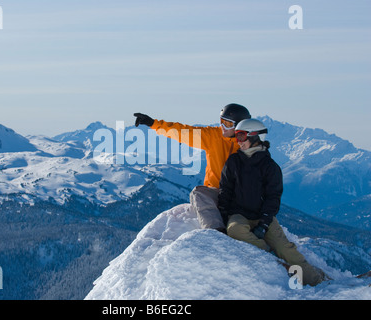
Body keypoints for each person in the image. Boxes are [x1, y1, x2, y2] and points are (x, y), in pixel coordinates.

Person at [218, 118, 326, 286]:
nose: (237, 141)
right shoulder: (234, 162)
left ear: (255, 136)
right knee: (235, 230)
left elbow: (273, 197)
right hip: (239, 214)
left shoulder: (270, 167)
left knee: (287, 250)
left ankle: (318, 282)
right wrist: (224, 216)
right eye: (237, 136)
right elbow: (225, 190)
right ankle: (269, 256)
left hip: (263, 216)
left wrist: (264, 224)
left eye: (241, 136)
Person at [134, 103, 251, 232]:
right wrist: (154, 124)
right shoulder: (213, 136)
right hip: (216, 192)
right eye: (221, 121)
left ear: (240, 126)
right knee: (198, 193)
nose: (222, 127)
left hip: (238, 196)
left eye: (228, 124)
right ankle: (216, 231)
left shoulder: (249, 144)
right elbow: (184, 132)